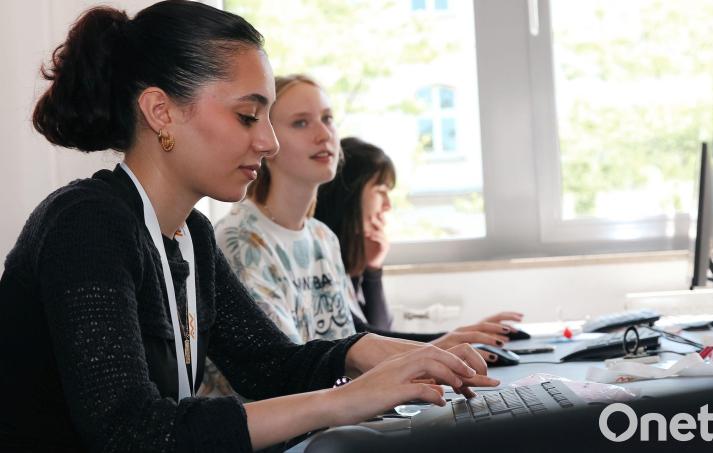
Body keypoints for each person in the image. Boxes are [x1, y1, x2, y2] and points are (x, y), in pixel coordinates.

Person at [0, 2, 496, 451]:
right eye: (247, 116)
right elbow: (134, 433)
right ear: (160, 111)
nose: (269, 142)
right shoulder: (86, 226)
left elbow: (270, 366)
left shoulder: (189, 234)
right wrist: (344, 401)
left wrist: (372, 351)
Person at [215, 74, 519, 362]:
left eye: (328, 119)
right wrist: (438, 348)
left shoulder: (323, 237)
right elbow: (286, 368)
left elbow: (351, 346)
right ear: (266, 138)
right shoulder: (240, 240)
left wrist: (448, 345)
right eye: (301, 123)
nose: (324, 135)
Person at [315, 137, 526, 363]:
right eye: (381, 190)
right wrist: (457, 340)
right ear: (349, 195)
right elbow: (365, 343)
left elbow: (377, 336)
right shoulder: (320, 258)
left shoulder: (344, 262)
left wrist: (371, 271)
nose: (387, 205)